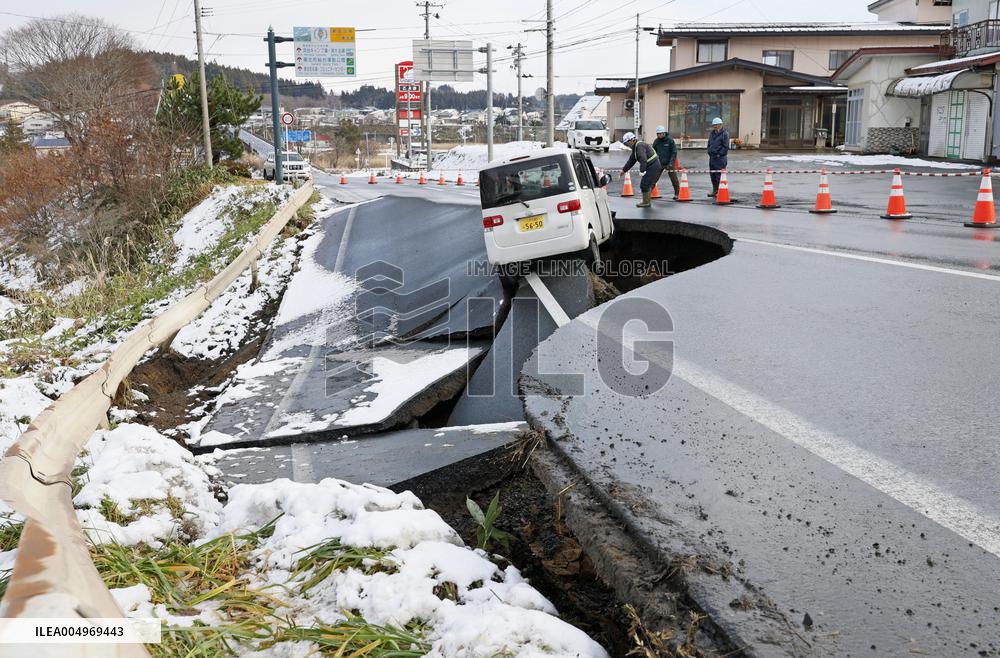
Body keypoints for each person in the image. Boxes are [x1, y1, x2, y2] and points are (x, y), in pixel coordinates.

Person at [618, 131, 662, 208]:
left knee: (645, 184)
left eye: (626, 143)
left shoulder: (639, 146)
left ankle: (646, 202)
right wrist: (624, 170)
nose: (627, 145)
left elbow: (643, 159)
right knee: (647, 184)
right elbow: (631, 160)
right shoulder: (636, 147)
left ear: (631, 140)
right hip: (652, 165)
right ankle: (646, 201)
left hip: (653, 165)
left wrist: (642, 170)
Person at [652, 125, 680, 200]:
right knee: (653, 178)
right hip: (659, 163)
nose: (659, 135)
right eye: (658, 134)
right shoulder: (656, 141)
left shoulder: (670, 140)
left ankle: (677, 193)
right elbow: (652, 152)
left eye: (661, 133)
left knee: (674, 179)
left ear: (664, 133)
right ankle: (648, 193)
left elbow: (674, 152)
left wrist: (671, 163)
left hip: (669, 163)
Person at [706, 117, 730, 198]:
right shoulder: (712, 133)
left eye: (716, 125)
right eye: (714, 125)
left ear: (720, 125)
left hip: (720, 158)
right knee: (713, 175)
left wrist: (719, 154)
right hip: (712, 157)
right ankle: (715, 191)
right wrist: (709, 151)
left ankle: (721, 192)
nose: (715, 127)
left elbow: (726, 147)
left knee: (719, 175)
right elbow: (709, 143)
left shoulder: (725, 134)